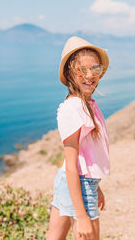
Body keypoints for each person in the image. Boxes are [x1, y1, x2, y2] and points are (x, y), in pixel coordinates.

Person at [46, 36, 110, 240]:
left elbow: (86, 157)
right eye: (81, 69)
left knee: (55, 236)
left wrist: (96, 186)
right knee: (87, 234)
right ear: (69, 73)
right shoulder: (73, 107)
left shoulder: (88, 104)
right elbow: (73, 164)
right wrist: (81, 215)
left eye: (95, 69)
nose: (89, 75)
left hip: (74, 180)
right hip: (77, 183)